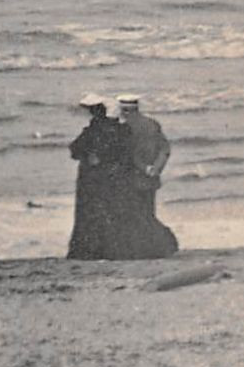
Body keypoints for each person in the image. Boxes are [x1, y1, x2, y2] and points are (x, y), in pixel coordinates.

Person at [114, 94, 179, 259]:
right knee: (148, 213)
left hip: (129, 179)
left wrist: (144, 168)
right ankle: (157, 248)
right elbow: (165, 149)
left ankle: (148, 249)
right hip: (151, 179)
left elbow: (128, 155)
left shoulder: (122, 127)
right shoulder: (152, 124)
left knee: (132, 215)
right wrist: (155, 168)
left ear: (124, 110)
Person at [67, 94, 130, 260]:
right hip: (113, 177)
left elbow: (74, 149)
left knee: (89, 212)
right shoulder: (119, 129)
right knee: (111, 211)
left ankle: (90, 250)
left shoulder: (93, 130)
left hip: (91, 177)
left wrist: (88, 155)